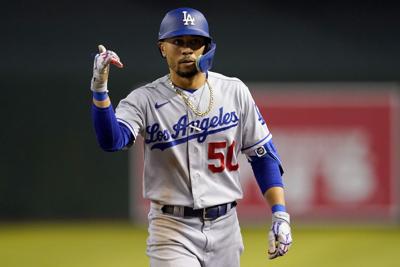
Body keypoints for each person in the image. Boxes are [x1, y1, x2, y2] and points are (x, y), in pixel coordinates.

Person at [90, 7, 292, 267]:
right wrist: (100, 89)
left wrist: (280, 214)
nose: (187, 49)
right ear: (162, 47)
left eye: (195, 42)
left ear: (206, 48)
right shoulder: (144, 99)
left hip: (226, 226)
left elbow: (263, 155)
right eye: (178, 42)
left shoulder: (234, 91)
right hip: (171, 228)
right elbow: (111, 140)